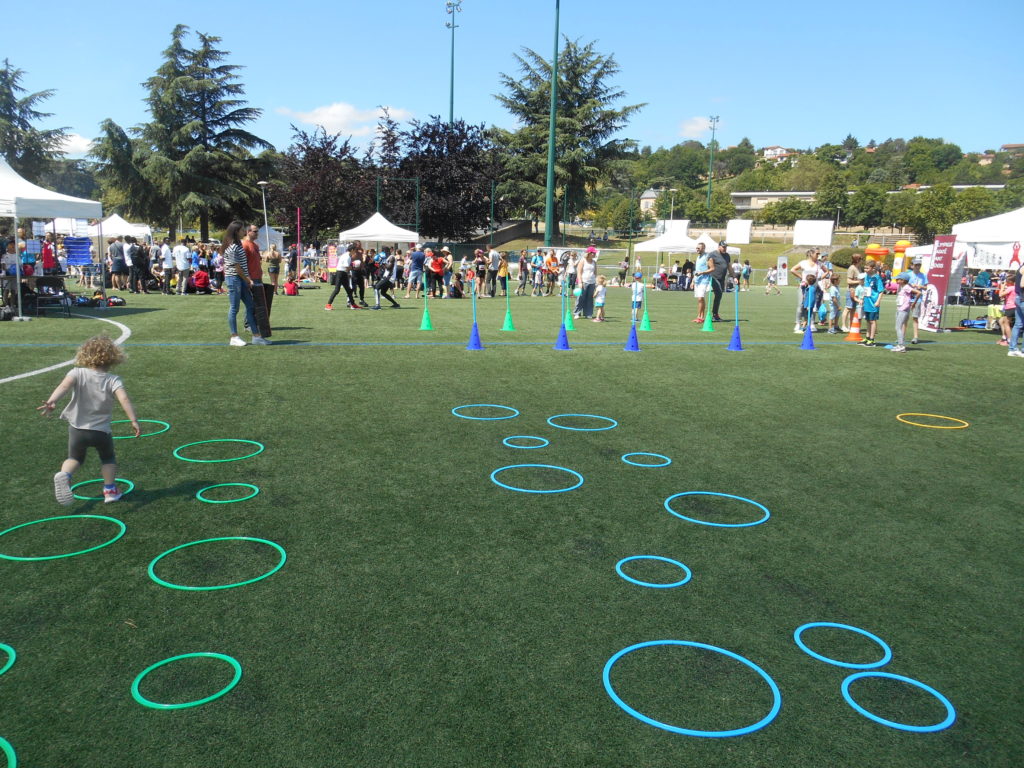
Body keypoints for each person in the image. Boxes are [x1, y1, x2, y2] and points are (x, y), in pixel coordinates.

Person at [39, 335, 140, 505]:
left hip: (77, 429)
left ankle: (65, 475)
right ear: (113, 358)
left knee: (75, 458)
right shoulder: (113, 380)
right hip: (100, 431)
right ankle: (110, 490)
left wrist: (52, 401)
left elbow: (63, 387)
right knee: (108, 458)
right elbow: (124, 400)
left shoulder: (76, 372)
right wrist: (134, 420)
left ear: (84, 355)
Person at [223, 221, 268, 346]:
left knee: (250, 305)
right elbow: (237, 268)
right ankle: (234, 336)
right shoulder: (232, 246)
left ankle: (256, 336)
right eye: (242, 229)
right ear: (237, 231)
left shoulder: (238, 244)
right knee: (234, 308)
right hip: (234, 279)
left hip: (241, 279)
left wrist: (247, 279)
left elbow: (243, 265)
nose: (244, 231)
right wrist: (248, 280)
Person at [791, 249, 823, 332]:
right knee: (801, 305)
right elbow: (793, 270)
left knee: (812, 306)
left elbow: (827, 271)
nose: (818, 255)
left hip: (814, 288)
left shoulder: (819, 264)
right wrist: (802, 277)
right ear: (811, 254)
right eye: (817, 253)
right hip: (804, 287)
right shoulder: (803, 263)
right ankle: (798, 323)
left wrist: (819, 278)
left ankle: (811, 324)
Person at [892, 272, 921, 353]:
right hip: (900, 309)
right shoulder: (902, 287)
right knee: (898, 327)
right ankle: (899, 345)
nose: (896, 280)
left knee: (898, 327)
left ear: (903, 280)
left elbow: (919, 293)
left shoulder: (906, 287)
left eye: (898, 279)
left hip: (903, 310)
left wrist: (914, 303)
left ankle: (901, 345)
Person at [858, 260, 885, 347]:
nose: (865, 269)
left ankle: (872, 339)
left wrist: (878, 301)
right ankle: (867, 337)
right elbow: (865, 289)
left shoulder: (877, 278)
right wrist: (862, 298)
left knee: (873, 321)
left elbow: (881, 291)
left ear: (873, 268)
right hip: (867, 302)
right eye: (864, 268)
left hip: (873, 302)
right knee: (868, 320)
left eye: (867, 268)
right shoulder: (866, 276)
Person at [907, 257, 929, 344]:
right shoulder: (908, 274)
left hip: (917, 298)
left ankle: (915, 337)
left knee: (915, 317)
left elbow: (926, 287)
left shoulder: (923, 275)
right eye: (916, 265)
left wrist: (921, 287)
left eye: (919, 265)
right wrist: (910, 285)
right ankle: (902, 336)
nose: (917, 267)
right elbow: (904, 285)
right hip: (908, 298)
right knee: (904, 317)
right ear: (912, 266)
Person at [841, 252, 864, 332]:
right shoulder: (852, 268)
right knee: (848, 308)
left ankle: (851, 326)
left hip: (857, 291)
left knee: (853, 309)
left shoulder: (859, 268)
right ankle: (843, 325)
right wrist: (859, 282)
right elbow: (848, 281)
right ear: (857, 260)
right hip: (851, 290)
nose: (862, 260)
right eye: (861, 259)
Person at [574, 247, 598, 319]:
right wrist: (580, 282)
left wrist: (596, 282)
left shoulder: (594, 262)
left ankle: (588, 313)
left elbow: (595, 273)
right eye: (593, 253)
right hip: (584, 281)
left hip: (592, 282)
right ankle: (577, 313)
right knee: (580, 298)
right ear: (589, 253)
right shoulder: (583, 261)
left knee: (590, 298)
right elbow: (579, 272)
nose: (594, 254)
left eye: (594, 253)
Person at [692, 243, 714, 323]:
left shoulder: (707, 257)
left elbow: (712, 268)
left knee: (700, 298)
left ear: (703, 248)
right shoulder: (698, 257)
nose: (697, 249)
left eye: (699, 248)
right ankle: (700, 316)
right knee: (699, 299)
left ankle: (700, 317)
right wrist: (693, 280)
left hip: (704, 280)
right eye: (696, 248)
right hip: (697, 280)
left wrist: (702, 273)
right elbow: (697, 270)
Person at [709, 241, 730, 321]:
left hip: (722, 279)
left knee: (719, 296)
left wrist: (734, 276)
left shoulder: (727, 255)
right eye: (723, 247)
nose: (725, 248)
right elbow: (708, 264)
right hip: (714, 278)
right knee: (718, 294)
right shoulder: (712, 254)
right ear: (719, 246)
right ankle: (714, 315)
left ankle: (715, 314)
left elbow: (729, 266)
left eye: (726, 247)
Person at [1007, 266, 1024, 357]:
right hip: (1022, 298)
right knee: (1018, 325)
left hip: (1018, 298)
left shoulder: (1021, 267)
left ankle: (1012, 349)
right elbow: (1022, 284)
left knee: (1018, 324)